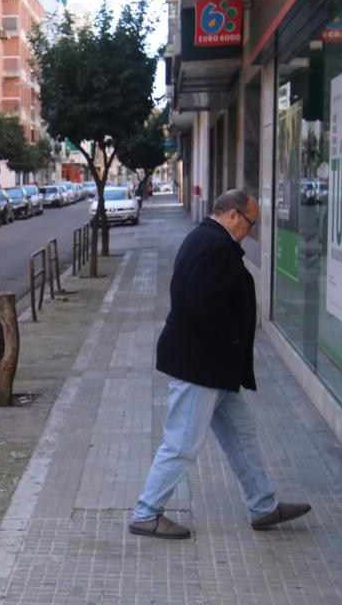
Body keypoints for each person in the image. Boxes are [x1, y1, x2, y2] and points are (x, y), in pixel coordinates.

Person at [129, 189, 311, 539]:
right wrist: (232, 338)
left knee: (242, 435)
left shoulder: (207, 239)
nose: (250, 231)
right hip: (201, 366)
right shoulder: (212, 245)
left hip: (214, 368)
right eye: (250, 223)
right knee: (182, 442)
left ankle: (263, 505)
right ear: (232, 216)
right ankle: (146, 512)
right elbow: (204, 303)